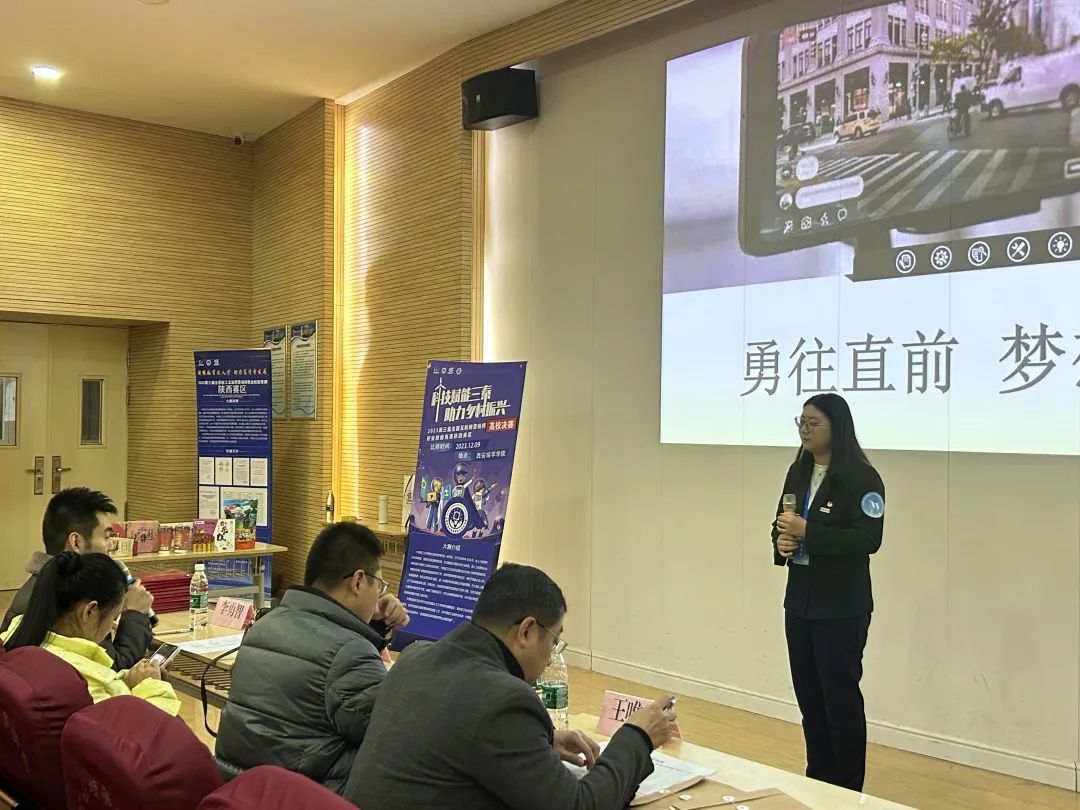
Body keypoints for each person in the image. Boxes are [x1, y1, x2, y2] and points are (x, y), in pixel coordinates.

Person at [343, 563, 678, 810]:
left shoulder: (415, 658)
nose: (550, 657)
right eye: (554, 640)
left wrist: (540, 742)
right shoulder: (503, 700)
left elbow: (456, 737)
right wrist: (637, 736)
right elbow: (580, 806)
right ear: (527, 631)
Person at [214, 522, 410, 793]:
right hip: (300, 798)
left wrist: (374, 623)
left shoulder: (264, 624)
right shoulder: (350, 653)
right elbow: (395, 734)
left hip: (235, 791)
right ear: (357, 581)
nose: (380, 595)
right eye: (379, 585)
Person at [771, 393, 885, 792]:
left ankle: (847, 790)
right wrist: (781, 543)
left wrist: (809, 532)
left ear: (837, 427)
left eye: (813, 423)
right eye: (800, 421)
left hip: (841, 607)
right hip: (800, 603)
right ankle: (818, 783)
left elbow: (868, 539)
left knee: (840, 703)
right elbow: (781, 523)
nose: (804, 430)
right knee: (811, 703)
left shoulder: (862, 478)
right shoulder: (798, 471)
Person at [2, 551, 180, 715]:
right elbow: (151, 730)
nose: (110, 628)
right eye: (113, 618)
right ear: (89, 612)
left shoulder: (18, 637)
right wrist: (151, 685)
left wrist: (126, 681)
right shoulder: (77, 681)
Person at [1, 487, 155, 670]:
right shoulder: (63, 597)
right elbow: (110, 669)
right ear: (76, 542)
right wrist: (134, 614)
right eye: (106, 537)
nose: (112, 545)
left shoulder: (54, 584)